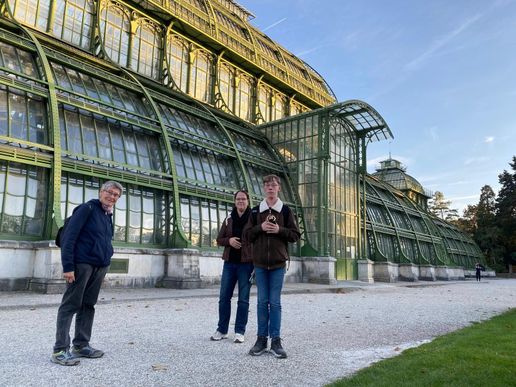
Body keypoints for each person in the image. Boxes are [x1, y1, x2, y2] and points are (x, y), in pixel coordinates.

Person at [50, 181, 123, 366]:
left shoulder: (107, 215)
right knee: (70, 305)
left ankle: (81, 345)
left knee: (88, 305)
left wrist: (107, 257)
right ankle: (60, 350)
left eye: (116, 195)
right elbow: (69, 238)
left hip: (99, 266)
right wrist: (68, 267)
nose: (112, 196)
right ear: (101, 192)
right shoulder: (87, 208)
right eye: (109, 192)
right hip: (82, 265)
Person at [244, 175, 300, 359]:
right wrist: (260, 227)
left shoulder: (285, 211)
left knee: (274, 303)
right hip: (259, 264)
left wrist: (279, 230)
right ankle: (261, 340)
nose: (270, 187)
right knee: (261, 302)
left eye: (273, 185)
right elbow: (247, 235)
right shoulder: (254, 212)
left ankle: (276, 341)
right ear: (264, 188)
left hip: (277, 264)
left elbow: (295, 235)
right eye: (267, 185)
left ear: (278, 188)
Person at [211, 190, 254, 343]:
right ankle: (222, 330)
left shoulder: (253, 218)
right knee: (224, 298)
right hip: (229, 263)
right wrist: (229, 241)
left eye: (243, 199)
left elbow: (258, 240)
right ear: (234, 201)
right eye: (238, 199)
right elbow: (219, 239)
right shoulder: (229, 219)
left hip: (246, 264)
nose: (240, 201)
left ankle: (240, 331)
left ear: (248, 201)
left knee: (243, 299)